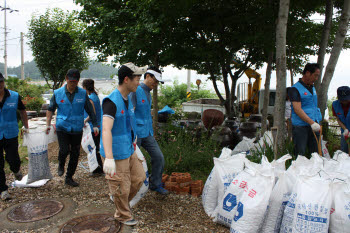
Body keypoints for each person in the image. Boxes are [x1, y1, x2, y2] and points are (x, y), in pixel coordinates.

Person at [101, 62, 146, 226]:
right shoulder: (111, 102)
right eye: (137, 79)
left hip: (128, 148)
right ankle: (122, 214)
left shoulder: (128, 99)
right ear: (126, 79)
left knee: (139, 178)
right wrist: (109, 158)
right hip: (115, 152)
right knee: (122, 186)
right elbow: (106, 130)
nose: (139, 82)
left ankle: (118, 198)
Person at [46, 69, 98, 187]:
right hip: (62, 126)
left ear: (78, 81)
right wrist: (48, 124)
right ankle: (61, 163)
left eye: (74, 82)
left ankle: (69, 177)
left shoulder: (82, 93)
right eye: (70, 81)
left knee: (75, 153)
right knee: (64, 150)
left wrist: (94, 125)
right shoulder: (58, 93)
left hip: (76, 127)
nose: (72, 84)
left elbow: (90, 109)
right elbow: (50, 109)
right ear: (66, 79)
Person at [129, 66, 168, 195]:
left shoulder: (148, 92)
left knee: (159, 157)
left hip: (147, 133)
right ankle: (131, 190)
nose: (156, 84)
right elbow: (130, 113)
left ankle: (155, 184)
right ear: (147, 76)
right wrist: (131, 134)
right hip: (136, 134)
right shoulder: (135, 91)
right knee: (133, 163)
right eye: (155, 81)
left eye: (158, 82)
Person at [0, 73, 28, 200]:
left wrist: (26, 127)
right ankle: (3, 190)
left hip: (11, 133)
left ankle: (16, 170)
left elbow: (22, 111)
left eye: (1, 82)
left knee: (13, 159)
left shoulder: (14, 96)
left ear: (3, 82)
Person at [288, 63, 322, 156]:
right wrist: (312, 123)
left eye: (318, 76)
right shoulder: (295, 89)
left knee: (316, 153)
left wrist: (316, 122)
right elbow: (297, 109)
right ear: (307, 73)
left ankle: (316, 170)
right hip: (301, 126)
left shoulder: (312, 87)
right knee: (300, 153)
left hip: (314, 124)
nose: (316, 78)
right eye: (315, 75)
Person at [82, 79, 104, 176]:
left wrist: (84, 121)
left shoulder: (90, 98)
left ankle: (97, 169)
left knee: (93, 148)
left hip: (93, 127)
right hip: (99, 125)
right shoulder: (95, 96)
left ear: (85, 87)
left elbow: (92, 114)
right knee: (97, 147)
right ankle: (99, 167)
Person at [332, 86, 350, 153]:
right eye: (343, 100)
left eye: (346, 99)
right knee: (344, 152)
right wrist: (345, 129)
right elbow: (338, 119)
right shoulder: (335, 105)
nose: (345, 101)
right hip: (344, 132)